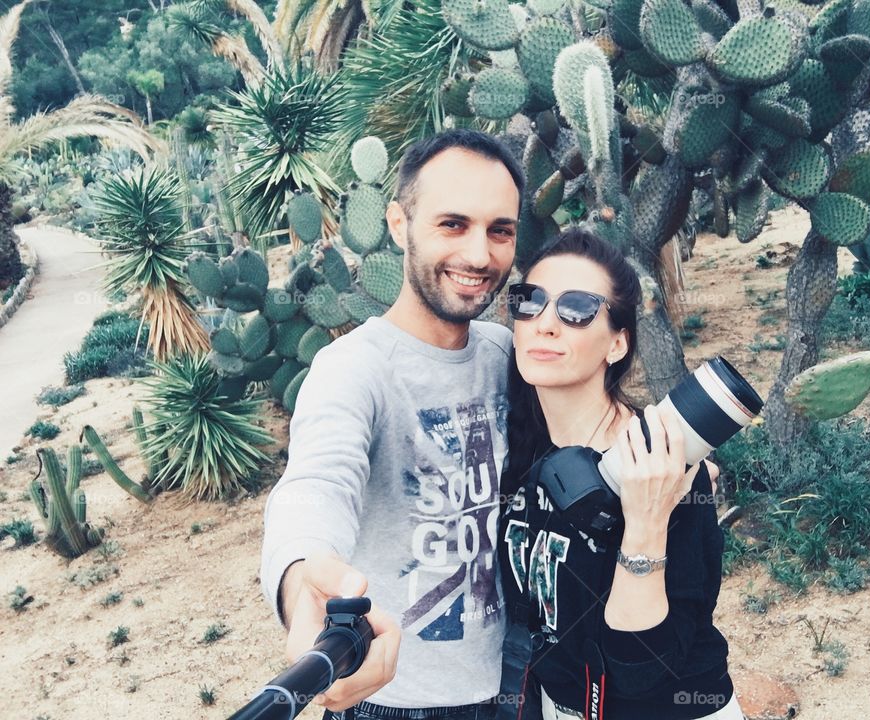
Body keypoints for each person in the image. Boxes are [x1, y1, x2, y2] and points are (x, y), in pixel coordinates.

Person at [259, 128, 524, 719]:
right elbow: (315, 484)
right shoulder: (352, 368)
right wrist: (303, 579)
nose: (480, 255)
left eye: (499, 230)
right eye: (452, 224)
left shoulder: (505, 353)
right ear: (400, 225)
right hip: (391, 698)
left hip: (510, 677)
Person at [497, 227, 743, 719]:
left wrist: (646, 524)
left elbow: (642, 668)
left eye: (577, 310)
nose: (546, 324)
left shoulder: (661, 468)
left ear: (616, 345)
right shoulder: (524, 446)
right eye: (531, 301)